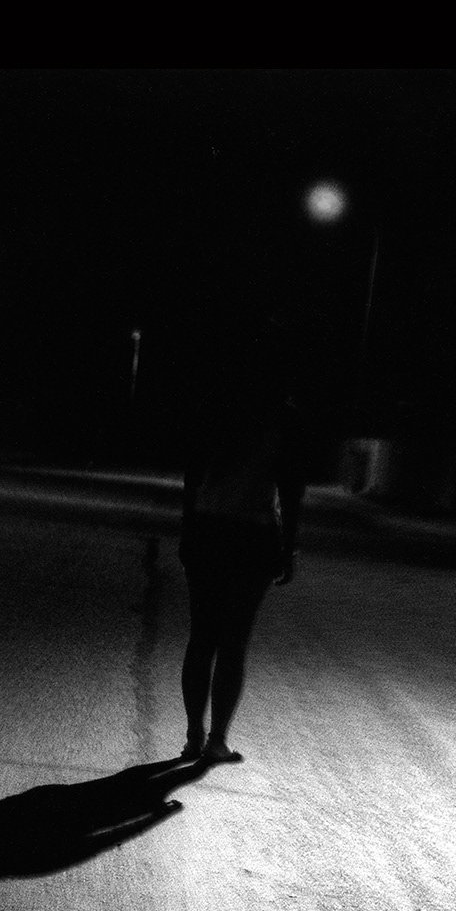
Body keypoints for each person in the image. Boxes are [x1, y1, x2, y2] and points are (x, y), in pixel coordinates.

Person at [179, 313, 307, 760]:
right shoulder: (285, 417)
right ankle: (217, 741)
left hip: (209, 527)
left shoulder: (214, 407)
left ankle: (193, 736)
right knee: (233, 643)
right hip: (253, 533)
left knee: (202, 637)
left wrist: (188, 529)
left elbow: (192, 477)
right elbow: (291, 489)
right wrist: (289, 547)